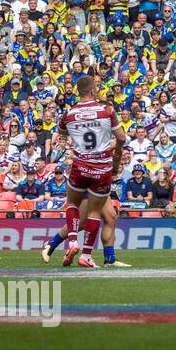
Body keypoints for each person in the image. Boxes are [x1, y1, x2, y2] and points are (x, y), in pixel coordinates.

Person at [59, 75, 125, 268]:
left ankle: (72, 242)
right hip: (102, 167)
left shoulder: (69, 113)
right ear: (93, 90)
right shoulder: (106, 110)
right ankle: (86, 255)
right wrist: (115, 148)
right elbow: (121, 137)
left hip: (80, 166)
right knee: (95, 213)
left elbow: (62, 132)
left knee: (72, 204)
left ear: (78, 91)